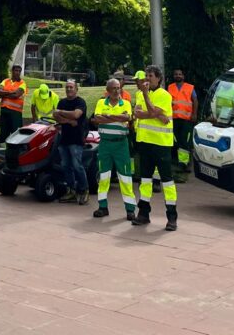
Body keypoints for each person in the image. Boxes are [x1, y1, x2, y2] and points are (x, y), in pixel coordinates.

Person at [132, 65, 177, 230]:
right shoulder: (139, 94)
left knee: (167, 181)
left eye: (150, 76)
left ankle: (172, 216)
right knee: (144, 180)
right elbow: (138, 113)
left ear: (158, 78)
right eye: (146, 76)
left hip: (161, 144)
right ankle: (143, 213)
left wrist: (150, 111)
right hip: (144, 143)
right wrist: (155, 114)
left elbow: (150, 111)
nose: (147, 79)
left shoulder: (164, 95)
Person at [92, 78, 135, 220]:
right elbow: (97, 119)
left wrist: (108, 116)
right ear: (108, 91)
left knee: (125, 177)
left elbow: (127, 117)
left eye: (118, 88)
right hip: (105, 144)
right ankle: (102, 207)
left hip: (121, 145)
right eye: (114, 88)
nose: (117, 91)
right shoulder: (100, 102)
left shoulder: (126, 103)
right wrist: (117, 118)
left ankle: (130, 209)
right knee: (103, 176)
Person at [54, 79, 89, 205]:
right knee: (65, 166)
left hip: (76, 140)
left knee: (77, 166)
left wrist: (62, 113)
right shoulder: (62, 102)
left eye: (71, 87)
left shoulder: (80, 102)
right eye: (67, 87)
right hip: (63, 139)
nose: (69, 89)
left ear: (76, 89)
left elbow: (76, 115)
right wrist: (68, 121)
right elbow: (55, 116)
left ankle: (84, 190)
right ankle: (71, 191)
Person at [167, 67, 197, 172]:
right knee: (176, 141)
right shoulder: (170, 87)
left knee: (185, 141)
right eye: (176, 74)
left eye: (180, 74)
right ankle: (178, 163)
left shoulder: (190, 87)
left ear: (183, 76)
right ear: (174, 76)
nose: (178, 76)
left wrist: (194, 114)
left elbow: (195, 100)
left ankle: (185, 164)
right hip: (174, 119)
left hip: (186, 119)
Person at [0, 64, 27, 142]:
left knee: (15, 134)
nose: (18, 73)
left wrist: (4, 93)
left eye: (19, 71)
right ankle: (2, 148)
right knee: (3, 132)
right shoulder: (5, 81)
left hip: (15, 112)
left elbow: (16, 95)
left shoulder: (22, 83)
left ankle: (14, 151)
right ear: (12, 71)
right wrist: (11, 93)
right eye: (16, 70)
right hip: (4, 111)